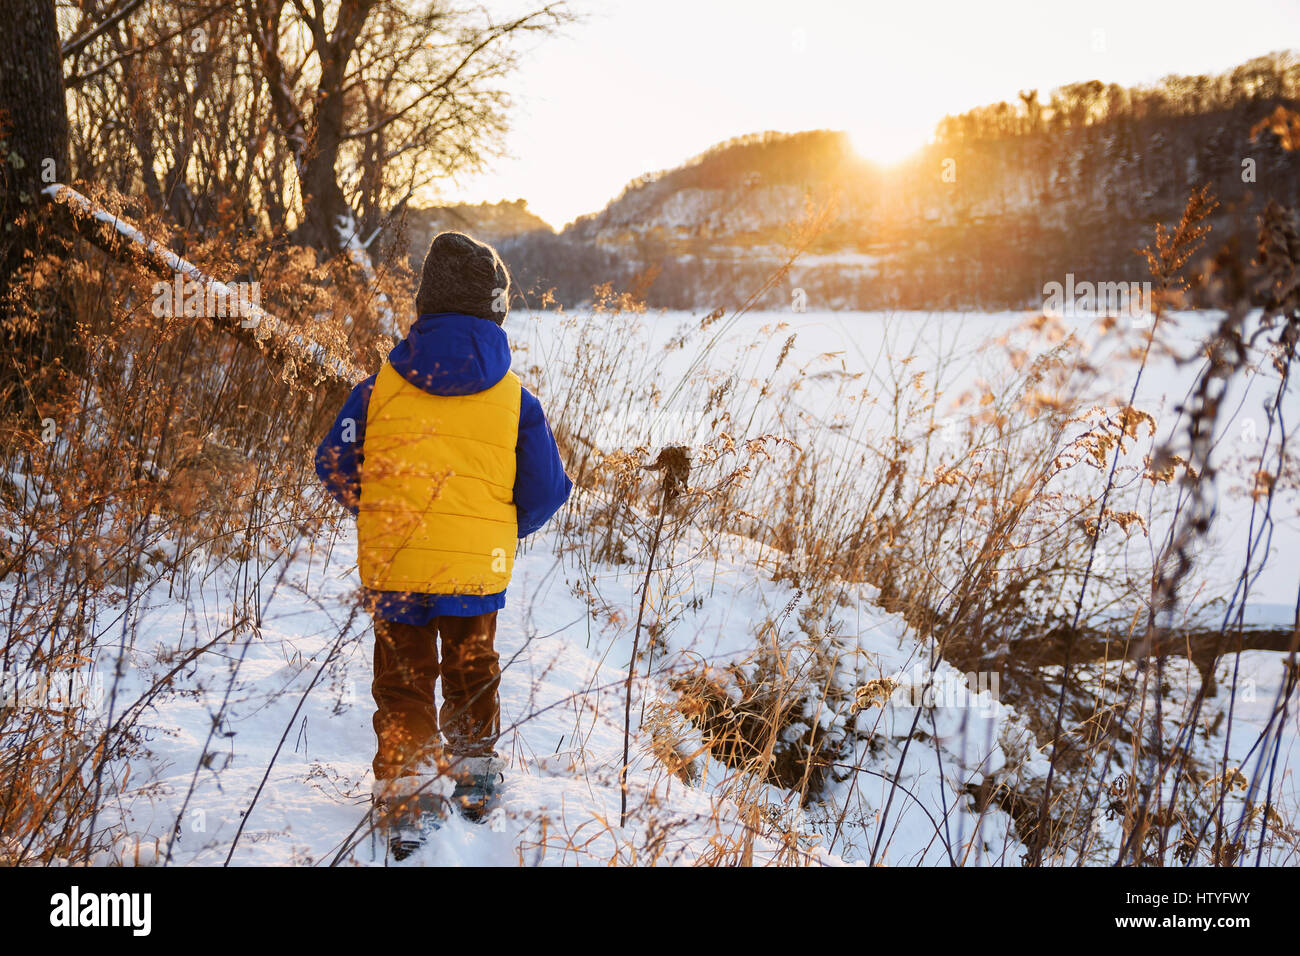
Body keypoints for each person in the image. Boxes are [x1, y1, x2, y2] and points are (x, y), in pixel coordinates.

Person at [315, 231, 572, 858]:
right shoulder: (518, 399)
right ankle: (475, 778)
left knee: (403, 680)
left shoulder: (379, 385)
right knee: (471, 670)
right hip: (474, 568)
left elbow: (333, 460)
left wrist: (375, 506)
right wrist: (500, 529)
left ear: (425, 307)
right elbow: (547, 489)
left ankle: (408, 797)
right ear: (495, 311)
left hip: (396, 558)